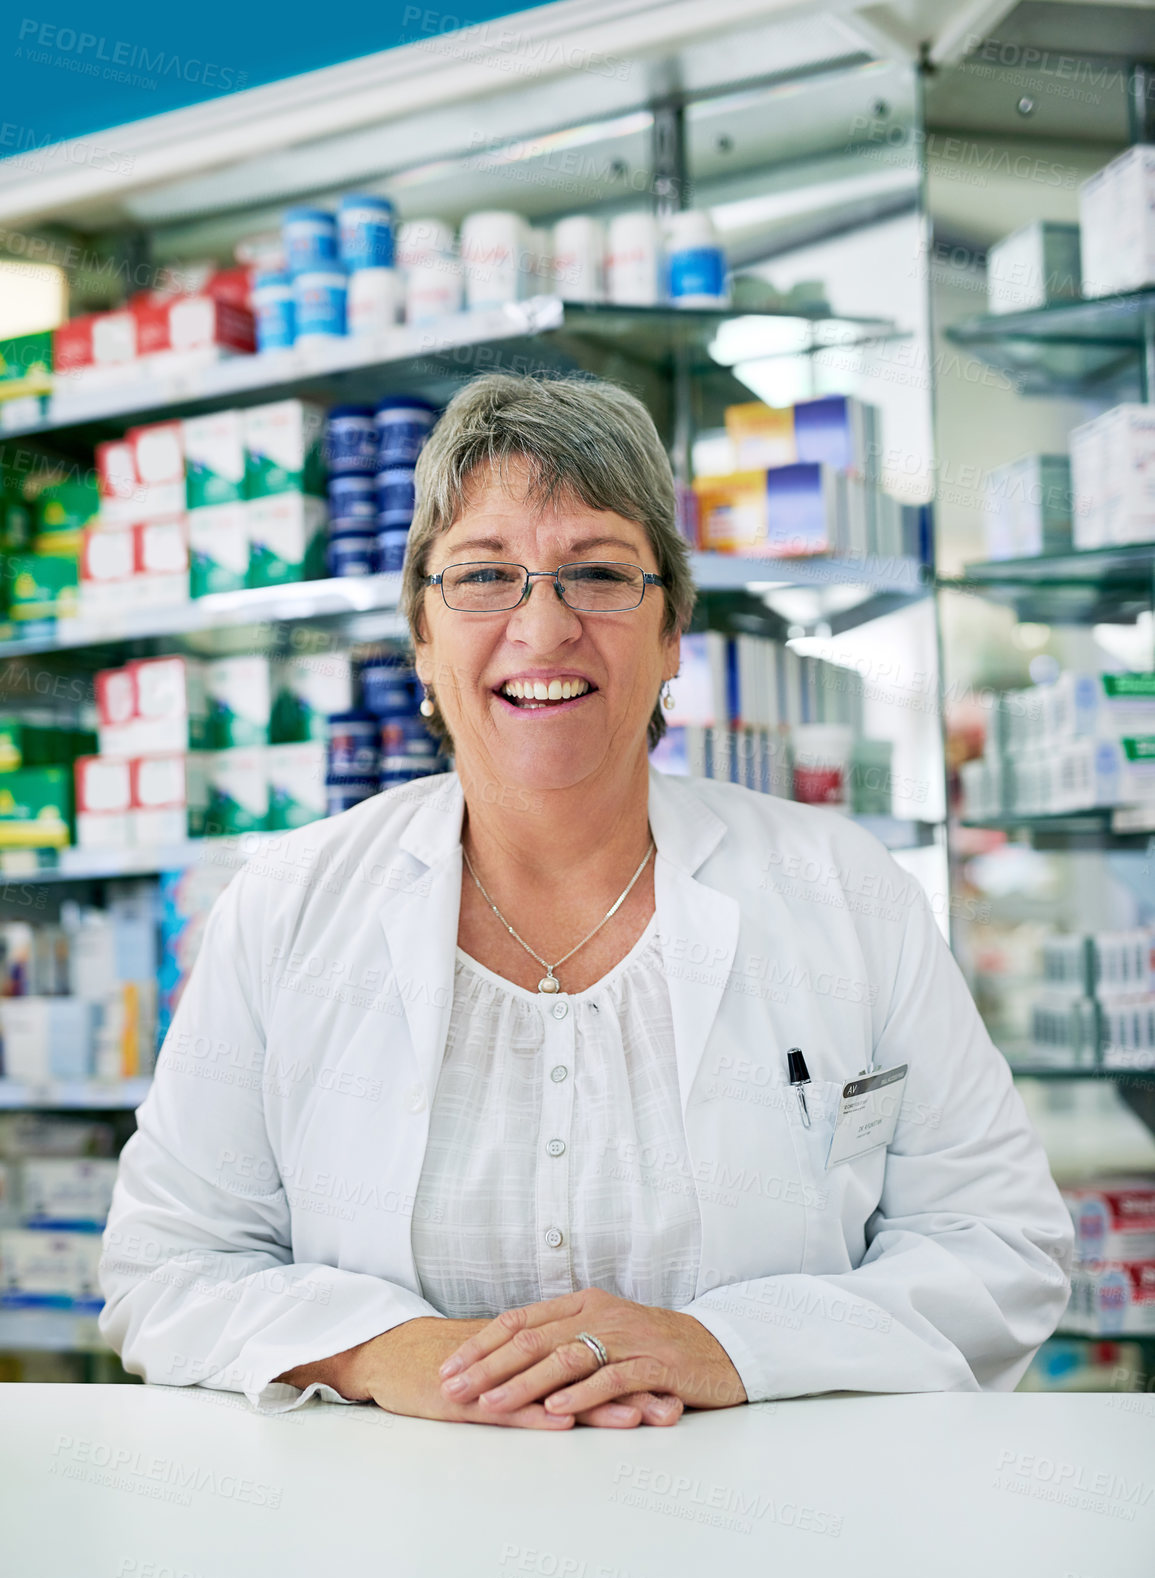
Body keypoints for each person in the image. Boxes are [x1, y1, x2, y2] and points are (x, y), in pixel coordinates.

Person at [99, 372, 1074, 1427]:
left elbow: (1000, 1246)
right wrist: (380, 1349)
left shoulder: (841, 890)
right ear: (422, 637)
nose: (544, 625)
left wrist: (731, 1346)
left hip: (779, 1548)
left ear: (671, 637)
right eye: (484, 576)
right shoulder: (287, 906)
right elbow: (168, 1266)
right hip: (382, 1552)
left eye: (599, 573)